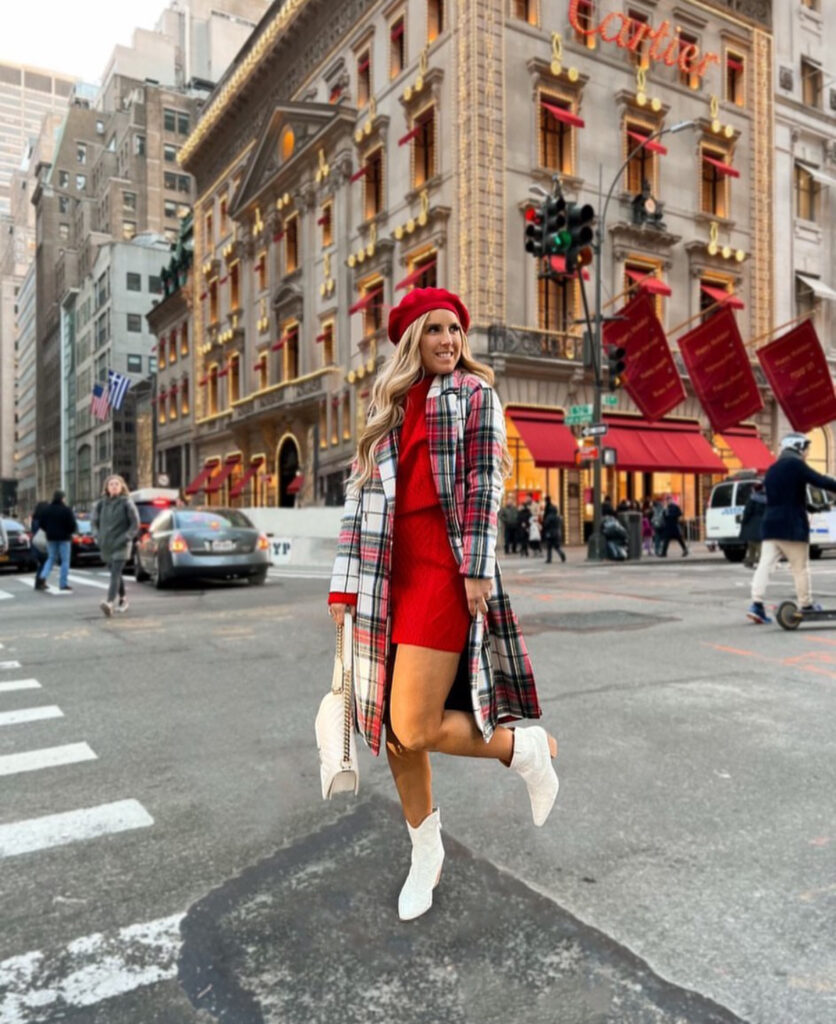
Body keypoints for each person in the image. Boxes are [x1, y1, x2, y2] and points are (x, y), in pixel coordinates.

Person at [328, 287, 558, 922]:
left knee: (414, 722)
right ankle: (423, 852)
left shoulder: (475, 395)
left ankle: (523, 751)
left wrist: (479, 568)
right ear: (411, 340)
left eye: (456, 330)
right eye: (436, 330)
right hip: (386, 577)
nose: (450, 341)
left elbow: (488, 483)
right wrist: (343, 587)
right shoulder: (386, 405)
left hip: (443, 571)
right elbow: (359, 501)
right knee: (394, 737)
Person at [748, 433, 836, 624]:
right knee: (800, 568)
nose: (807, 453)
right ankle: (805, 604)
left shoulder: (772, 469)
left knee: (765, 566)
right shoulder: (796, 465)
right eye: (806, 448)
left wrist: (809, 506)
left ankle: (756, 604)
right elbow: (819, 480)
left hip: (771, 525)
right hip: (792, 527)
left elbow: (783, 497)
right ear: (797, 447)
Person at [91, 474, 139, 617]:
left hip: (121, 544)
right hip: (106, 544)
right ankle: (123, 600)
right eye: (111, 484)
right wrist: (97, 535)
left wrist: (126, 538)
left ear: (122, 487)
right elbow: (94, 522)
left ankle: (109, 602)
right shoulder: (101, 504)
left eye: (116, 484)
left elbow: (135, 524)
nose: (114, 486)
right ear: (106, 487)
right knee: (115, 574)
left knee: (115, 574)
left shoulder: (127, 503)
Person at [36, 490, 77, 592]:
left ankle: (43, 576)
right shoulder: (67, 510)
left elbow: (41, 524)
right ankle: (63, 584)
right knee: (65, 561)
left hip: (51, 538)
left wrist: (49, 530)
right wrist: (69, 532)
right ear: (63, 498)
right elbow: (72, 525)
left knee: (51, 558)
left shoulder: (47, 510)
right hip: (64, 538)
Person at [740, 482, 767, 569]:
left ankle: (752, 561)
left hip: (752, 523)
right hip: (763, 523)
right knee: (759, 544)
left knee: (752, 544)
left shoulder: (752, 499)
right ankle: (756, 561)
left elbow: (747, 512)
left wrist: (744, 521)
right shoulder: (767, 499)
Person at [30, 498, 50, 589]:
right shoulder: (42, 520)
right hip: (42, 543)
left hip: (35, 543)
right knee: (44, 563)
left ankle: (40, 581)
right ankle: (40, 582)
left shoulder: (34, 519)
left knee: (42, 563)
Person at [542, 498, 566, 564]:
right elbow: (560, 523)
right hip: (556, 533)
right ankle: (561, 554)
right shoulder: (558, 517)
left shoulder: (549, 517)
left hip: (549, 533)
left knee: (549, 547)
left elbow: (546, 524)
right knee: (556, 546)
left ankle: (549, 559)